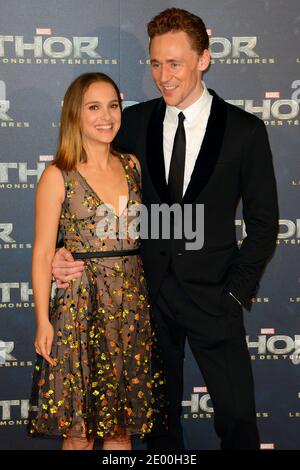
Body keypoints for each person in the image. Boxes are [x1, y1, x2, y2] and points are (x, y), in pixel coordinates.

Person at [52, 8, 279, 450]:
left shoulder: (244, 130)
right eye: (155, 63)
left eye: (174, 63)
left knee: (236, 420)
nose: (163, 75)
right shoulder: (133, 123)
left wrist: (235, 292)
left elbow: (265, 224)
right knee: (157, 426)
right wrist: (65, 249)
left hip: (216, 297)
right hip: (147, 298)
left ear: (203, 59)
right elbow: (93, 187)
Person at [27, 72, 166, 451]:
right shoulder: (58, 175)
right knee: (80, 432)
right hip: (79, 310)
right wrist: (43, 319)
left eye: (113, 106)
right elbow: (42, 251)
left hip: (130, 310)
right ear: (76, 114)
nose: (106, 116)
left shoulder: (132, 166)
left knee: (121, 430)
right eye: (94, 107)